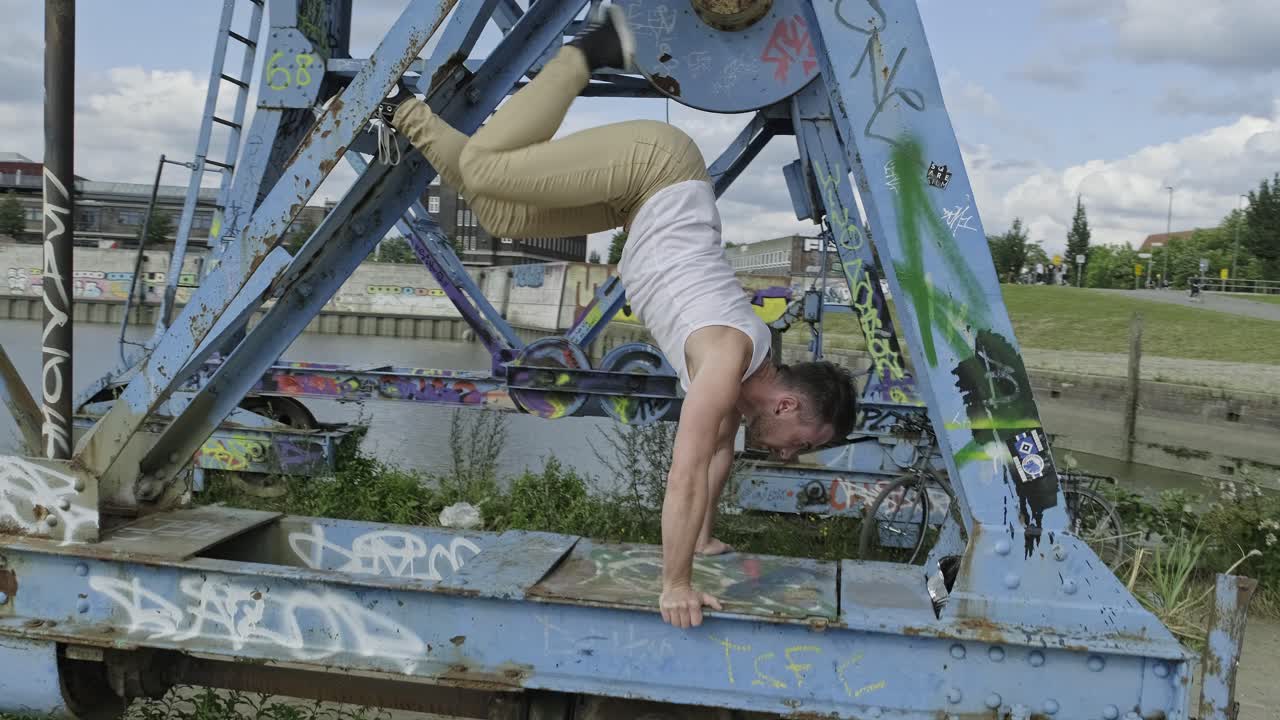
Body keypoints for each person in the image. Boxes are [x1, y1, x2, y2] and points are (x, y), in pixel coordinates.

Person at [378, 5, 857, 629]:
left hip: (638, 202)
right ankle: (592, 49)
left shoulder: (741, 390)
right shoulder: (727, 359)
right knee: (484, 169)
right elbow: (686, 473)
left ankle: (395, 108)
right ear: (790, 407)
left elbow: (717, 460)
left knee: (499, 214)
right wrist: (675, 582)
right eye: (805, 446)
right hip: (656, 167)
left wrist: (704, 540)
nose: (791, 457)